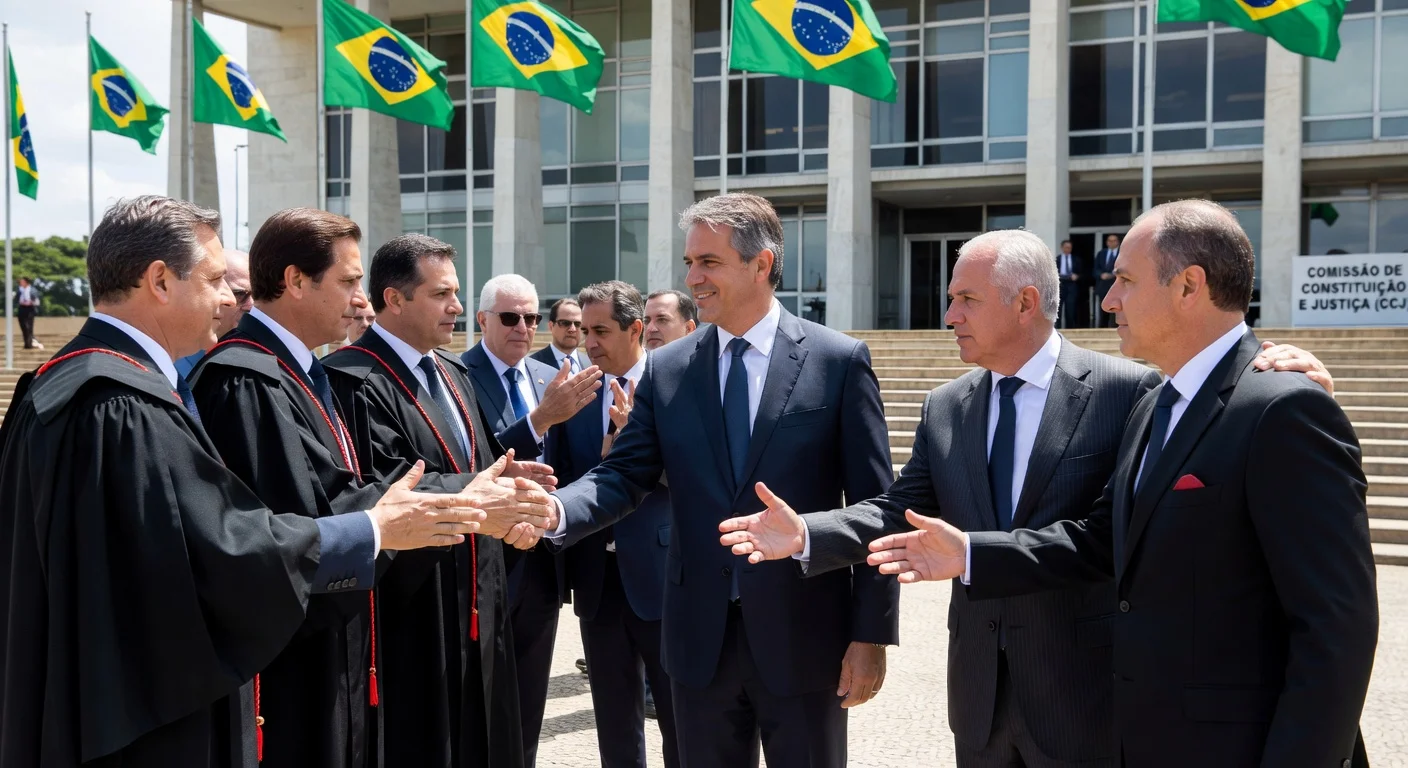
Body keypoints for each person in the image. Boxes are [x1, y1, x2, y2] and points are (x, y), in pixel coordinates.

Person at [776, 200, 1376, 767]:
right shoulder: (1159, 407)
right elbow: (1098, 540)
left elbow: (1335, 629)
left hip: (1174, 731)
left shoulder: (1264, 404)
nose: (1108, 299)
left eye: (1126, 281)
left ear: (1188, 286)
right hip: (1106, 728)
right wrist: (964, 553)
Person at [0, 195, 492, 767]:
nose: (230, 299)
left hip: (79, 698)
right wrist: (371, 531)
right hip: (146, 720)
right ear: (160, 280)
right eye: (213, 281)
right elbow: (225, 552)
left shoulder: (59, 383)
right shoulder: (124, 406)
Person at [191, 209, 554, 768]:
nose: (360, 299)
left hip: (414, 616)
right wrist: (463, 502)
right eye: (348, 281)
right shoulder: (249, 379)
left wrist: (505, 499)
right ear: (293, 281)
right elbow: (313, 511)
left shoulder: (303, 372)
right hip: (318, 648)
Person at [546, 193, 899, 768]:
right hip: (696, 642)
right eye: (689, 263)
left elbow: (877, 507)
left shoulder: (838, 361)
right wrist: (556, 511)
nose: (693, 278)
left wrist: (872, 634)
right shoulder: (669, 368)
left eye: (707, 262)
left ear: (760, 264)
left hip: (804, 639)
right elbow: (623, 474)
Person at [323, 234, 553, 768]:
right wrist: (480, 490)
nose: (455, 307)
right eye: (440, 294)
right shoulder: (350, 380)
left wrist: (511, 484)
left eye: (456, 293)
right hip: (414, 605)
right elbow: (377, 487)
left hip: (479, 594)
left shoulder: (453, 373)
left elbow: (479, 464)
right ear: (394, 298)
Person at [461, 273, 601, 766]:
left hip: (543, 562)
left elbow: (573, 466)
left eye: (531, 317)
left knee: (529, 701)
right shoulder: (458, 376)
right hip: (483, 561)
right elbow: (472, 463)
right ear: (482, 321)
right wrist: (540, 419)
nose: (523, 327)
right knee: (479, 701)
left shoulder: (549, 377)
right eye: (509, 317)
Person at [556, 281, 680, 768]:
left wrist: (641, 455)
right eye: (584, 331)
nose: (588, 343)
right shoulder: (577, 392)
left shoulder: (674, 386)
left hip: (662, 574)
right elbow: (566, 477)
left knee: (677, 715)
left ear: (636, 330)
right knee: (613, 716)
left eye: (600, 331)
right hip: (596, 581)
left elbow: (702, 477)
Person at [176, 249, 251, 378]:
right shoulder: (169, 360)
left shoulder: (265, 357)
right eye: (239, 294)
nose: (251, 305)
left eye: (258, 294)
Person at [531, 297, 586, 371]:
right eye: (564, 323)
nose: (572, 329)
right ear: (551, 326)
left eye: (578, 324)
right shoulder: (532, 365)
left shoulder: (592, 363)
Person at [1055, 240, 1085, 330]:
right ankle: (1058, 329)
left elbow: (1083, 273)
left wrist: (1077, 276)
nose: (1068, 249)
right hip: (1060, 285)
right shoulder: (1057, 259)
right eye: (1066, 247)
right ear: (1062, 248)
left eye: (1069, 248)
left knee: (1070, 309)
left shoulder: (1076, 259)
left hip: (1072, 285)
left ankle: (1070, 329)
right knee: (1058, 309)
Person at [1093, 234, 1120, 328]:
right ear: (1107, 242)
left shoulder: (1122, 253)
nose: (1112, 243)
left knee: (1117, 309)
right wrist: (1101, 275)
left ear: (1118, 242)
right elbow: (1095, 269)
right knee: (1104, 309)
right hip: (1103, 286)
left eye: (1114, 240)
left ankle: (1116, 327)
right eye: (1110, 241)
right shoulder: (1102, 253)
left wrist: (1114, 274)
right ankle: (1102, 328)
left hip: (1117, 286)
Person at [15, 276, 41, 350]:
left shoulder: (33, 290)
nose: (21, 283)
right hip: (21, 309)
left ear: (26, 282)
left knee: (29, 326)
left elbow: (37, 301)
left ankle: (29, 343)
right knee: (23, 326)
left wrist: (30, 302)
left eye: (22, 281)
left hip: (30, 309)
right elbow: (16, 300)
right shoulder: (19, 290)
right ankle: (27, 342)